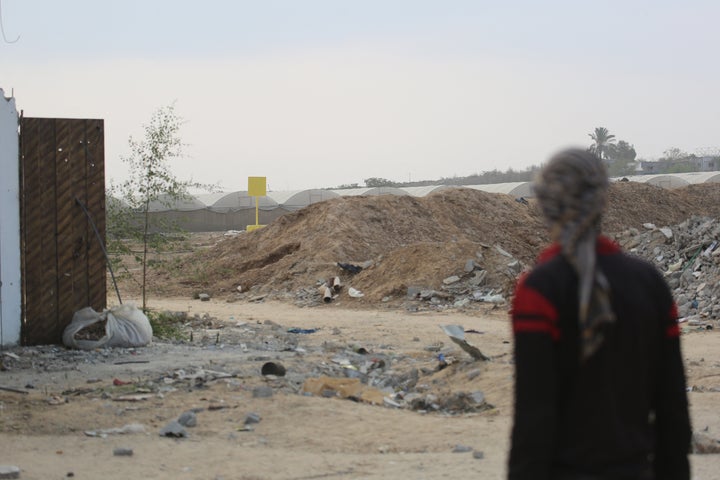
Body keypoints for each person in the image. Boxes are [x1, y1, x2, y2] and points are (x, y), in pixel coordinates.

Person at [508, 148, 691, 480]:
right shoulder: (650, 284)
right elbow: (673, 408)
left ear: (546, 205)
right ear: (602, 201)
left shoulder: (539, 291)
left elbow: (535, 416)